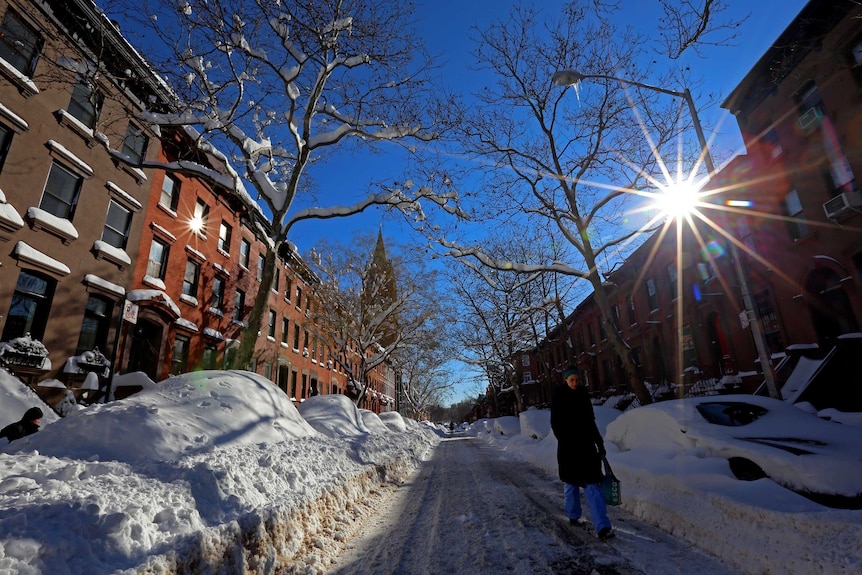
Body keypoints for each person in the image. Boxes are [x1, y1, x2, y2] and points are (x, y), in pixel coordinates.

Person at [550, 366, 614, 540]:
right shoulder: (559, 396)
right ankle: (572, 514)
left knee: (593, 484)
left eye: (577, 380)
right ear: (566, 380)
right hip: (568, 448)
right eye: (572, 380)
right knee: (571, 484)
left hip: (586, 447)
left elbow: (591, 421)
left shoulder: (583, 395)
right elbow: (555, 422)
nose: (575, 383)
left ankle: (602, 526)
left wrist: (599, 442)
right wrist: (564, 439)